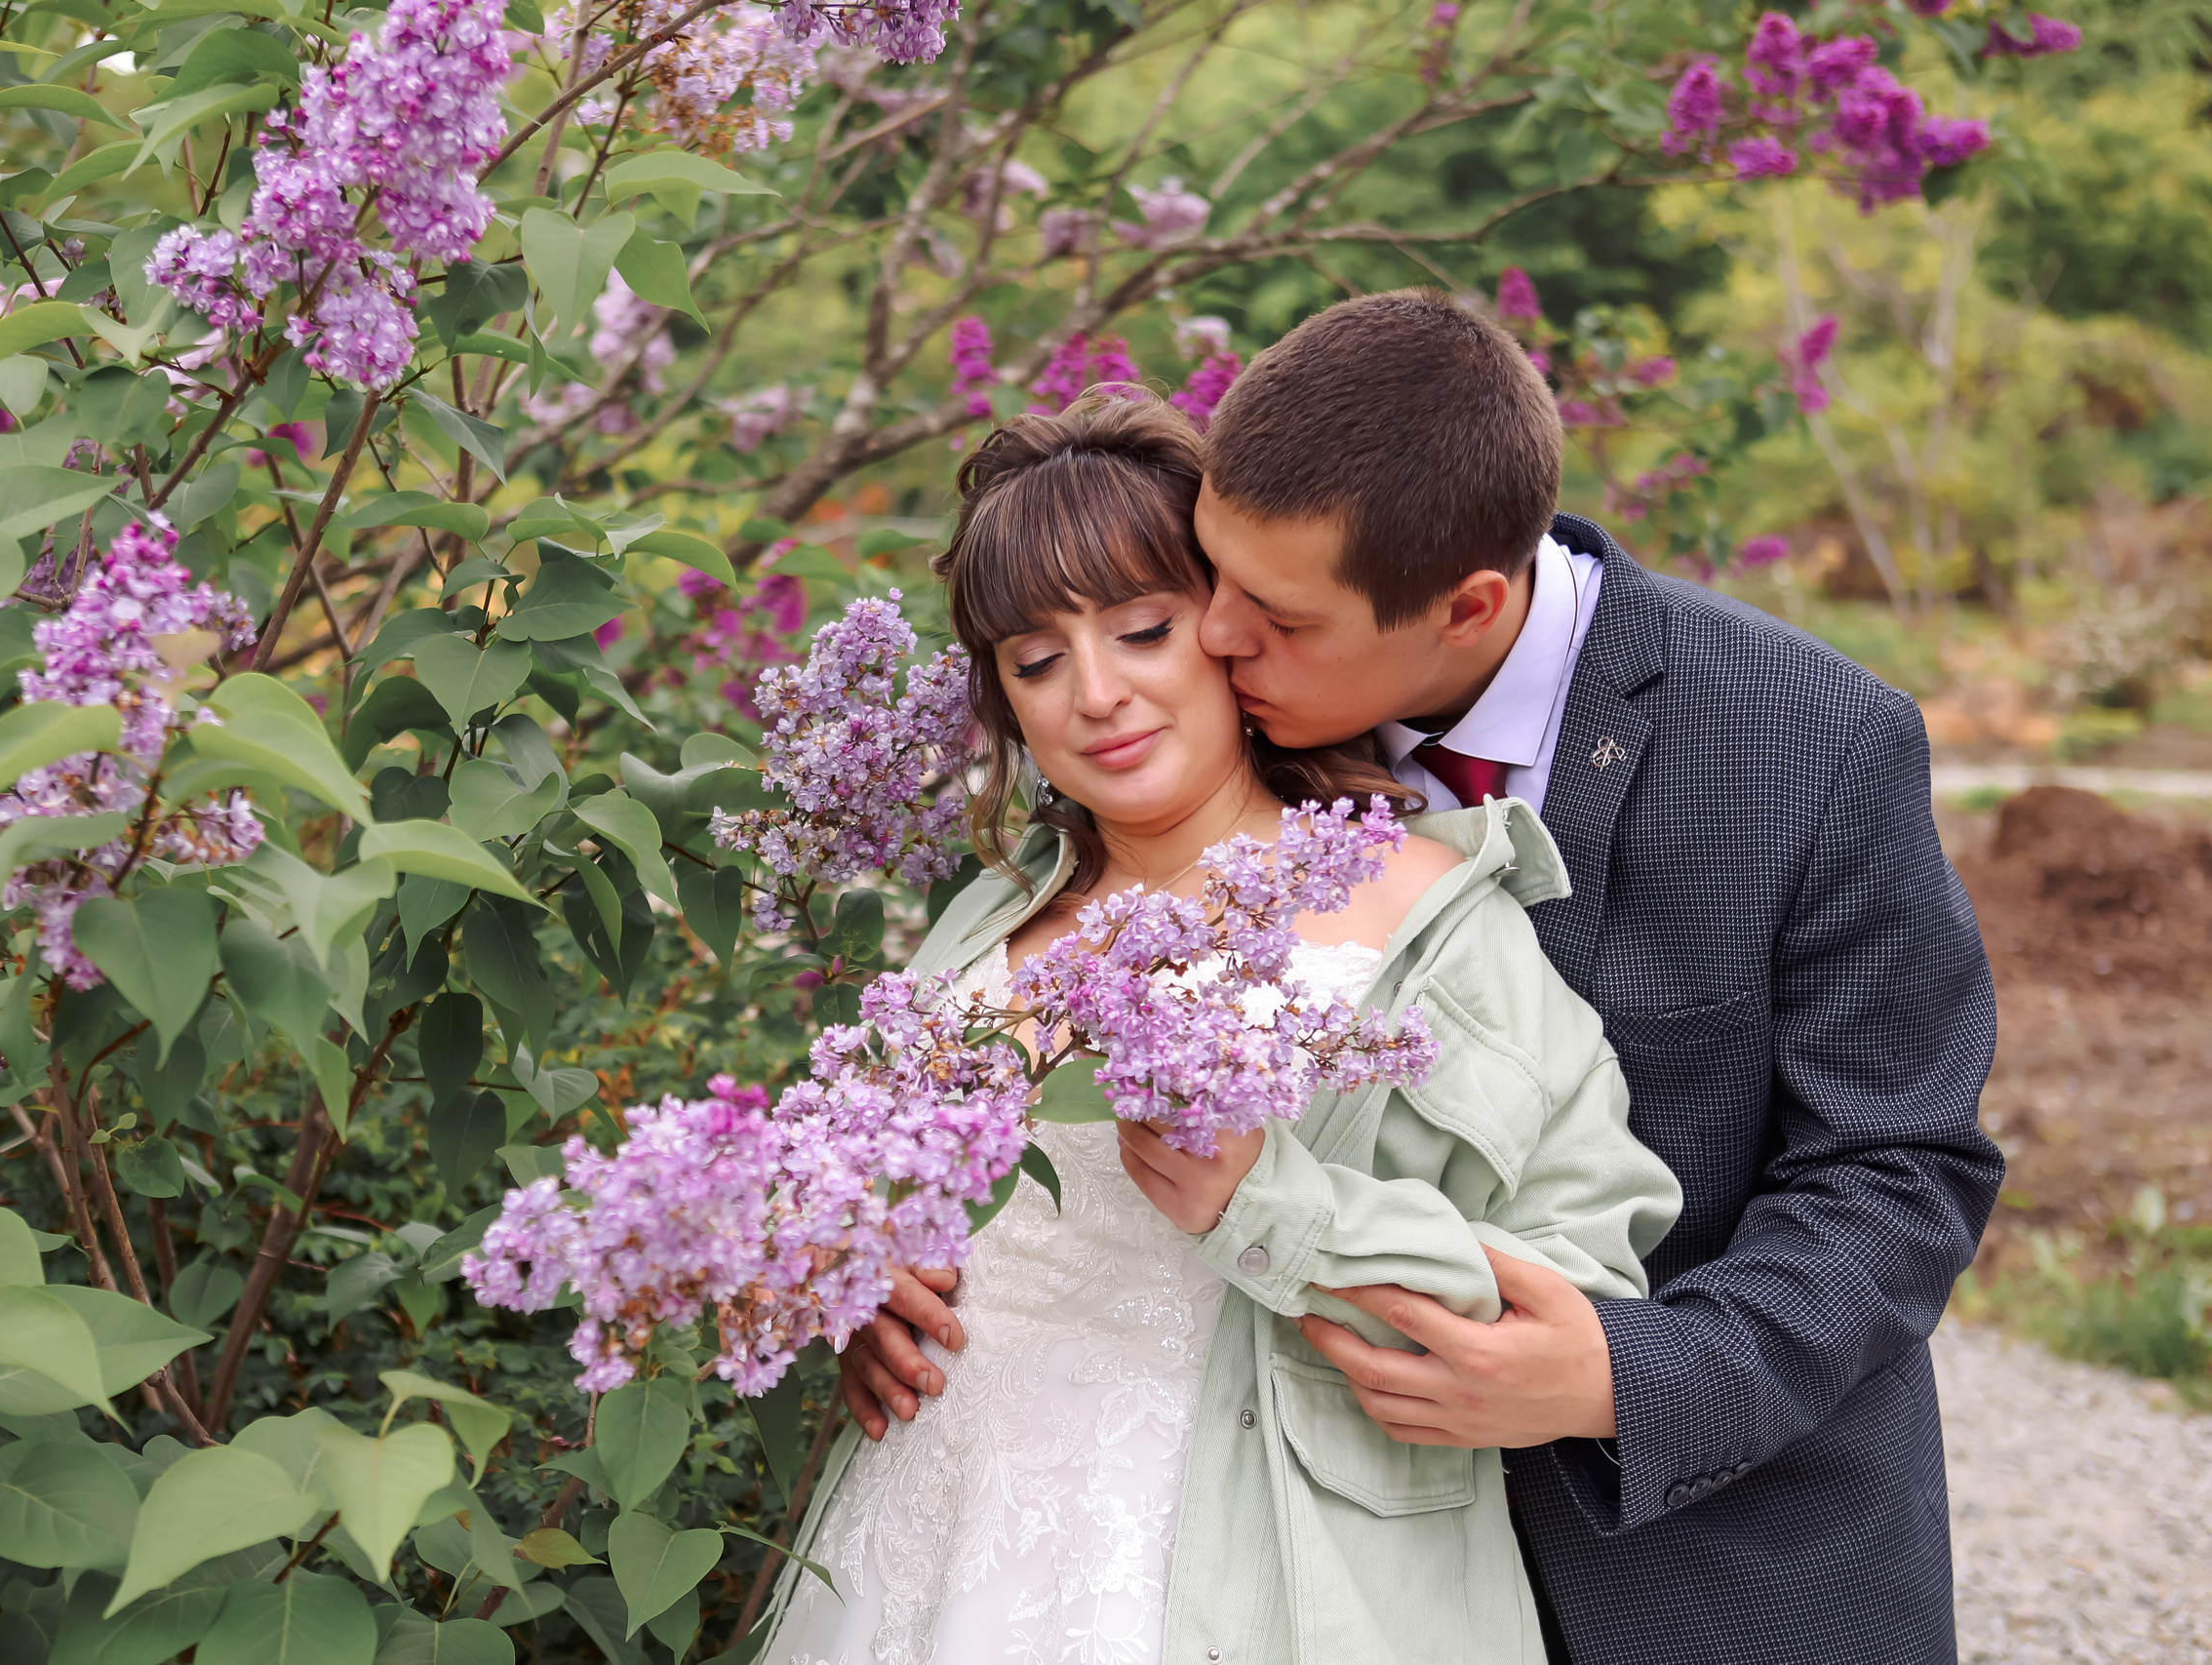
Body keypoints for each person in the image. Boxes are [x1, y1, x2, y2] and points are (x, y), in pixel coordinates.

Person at [844, 292, 2004, 1664]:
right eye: (1208, 581)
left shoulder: (1806, 742)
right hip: (1217, 1541)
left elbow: (1897, 1168)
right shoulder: (1129, 795)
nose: (1214, 634)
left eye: (1269, 616)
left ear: (1467, 610)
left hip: (1687, 1557)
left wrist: (1624, 1377)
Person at [765, 392, 1681, 1665]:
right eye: (1036, 660)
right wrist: (853, 1271)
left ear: (1233, 632)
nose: (1097, 695)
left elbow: (1581, 1286)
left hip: (1253, 1580)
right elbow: (864, 1182)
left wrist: (1276, 1205)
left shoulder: (1431, 919)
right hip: (921, 1550)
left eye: (1144, 630)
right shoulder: (988, 917)